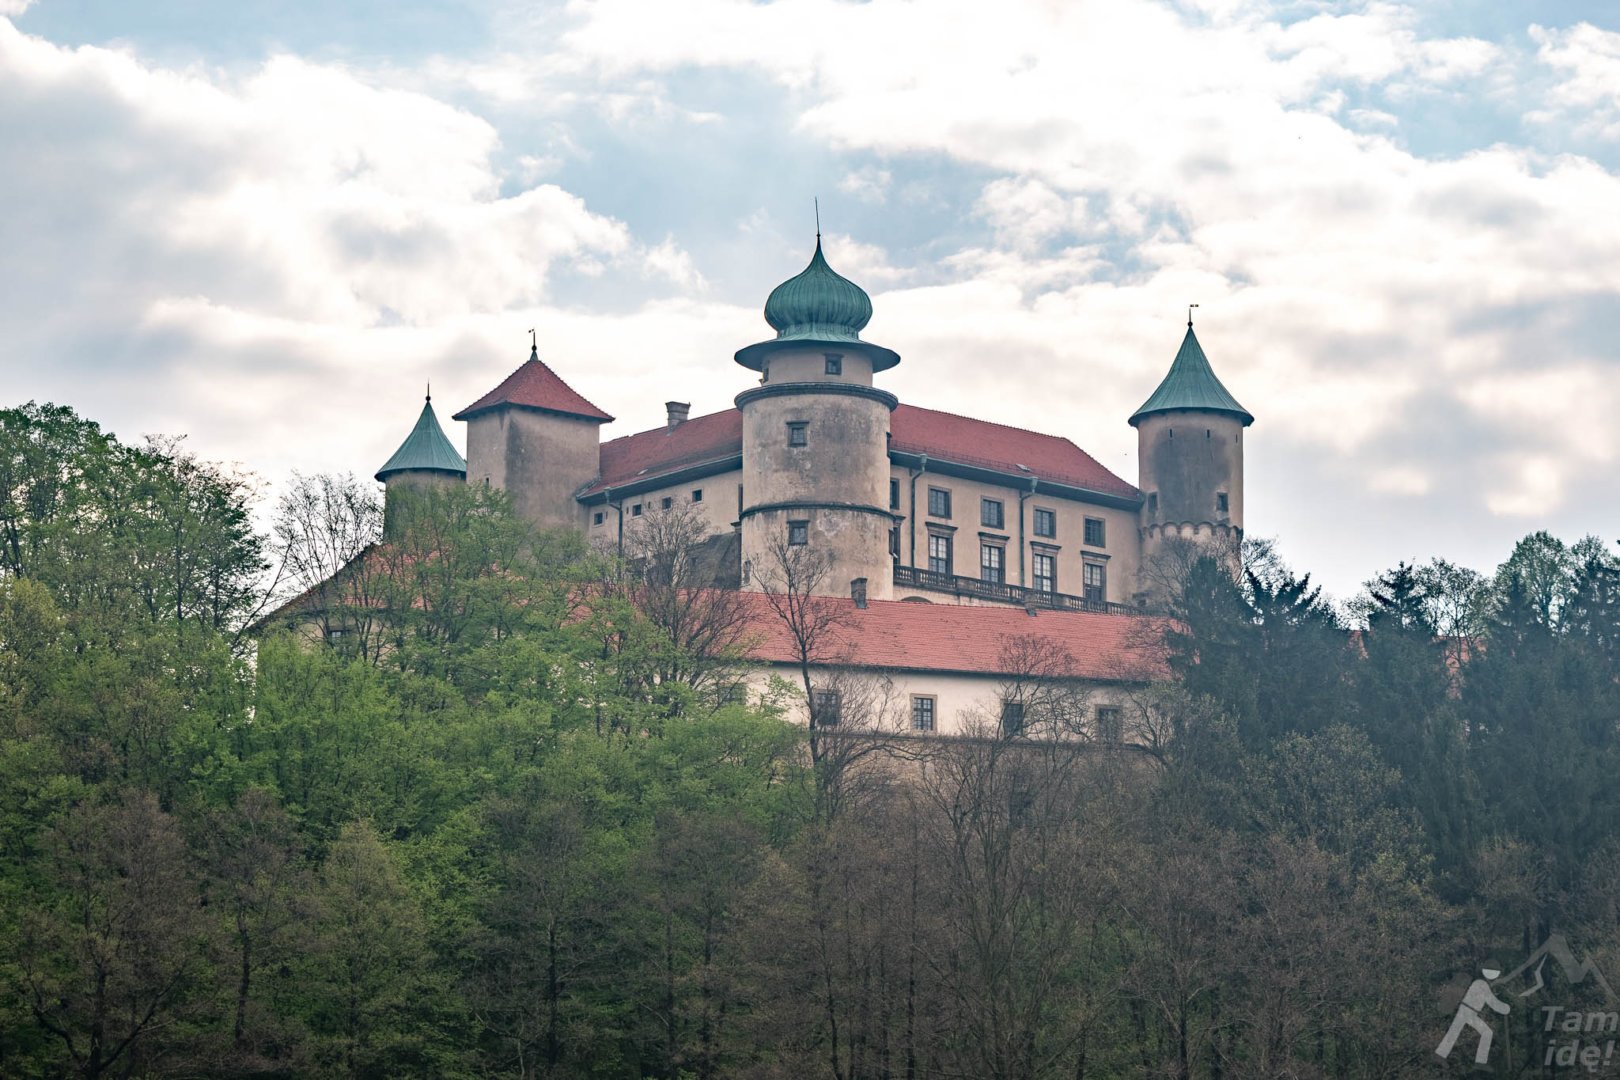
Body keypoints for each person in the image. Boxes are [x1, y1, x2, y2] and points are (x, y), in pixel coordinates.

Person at [1436, 968, 1510, 1065]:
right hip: (1468, 1012)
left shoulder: (1480, 983)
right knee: (1486, 1032)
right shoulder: (1482, 984)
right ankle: (1480, 1061)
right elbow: (1493, 1002)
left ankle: (1440, 1055)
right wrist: (1506, 1009)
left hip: (1468, 1011)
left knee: (1454, 1032)